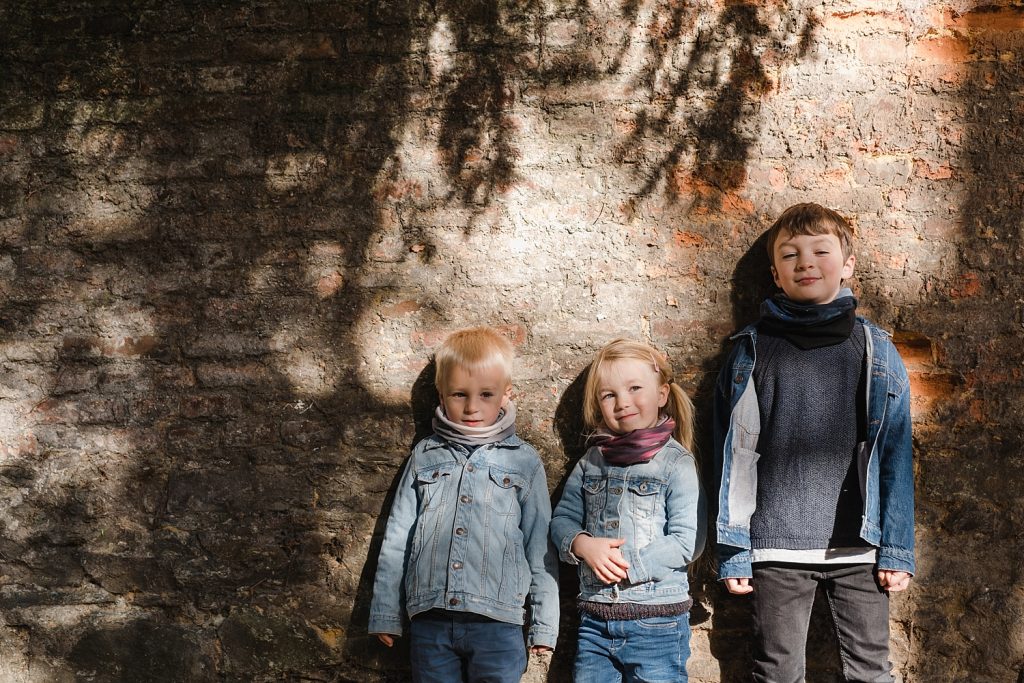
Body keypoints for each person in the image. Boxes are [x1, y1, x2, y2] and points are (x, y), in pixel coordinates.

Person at [714, 203, 915, 682]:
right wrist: (735, 551)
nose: (805, 262)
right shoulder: (751, 350)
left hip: (860, 547)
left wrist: (897, 549)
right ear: (775, 274)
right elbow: (729, 456)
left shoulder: (874, 348)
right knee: (777, 671)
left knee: (870, 671)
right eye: (790, 255)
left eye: (820, 251)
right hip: (775, 547)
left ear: (846, 265)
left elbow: (895, 452)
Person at [368, 326, 558, 683]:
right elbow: (397, 538)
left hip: (498, 624)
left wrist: (544, 624)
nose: (472, 407)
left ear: (506, 394)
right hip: (431, 621)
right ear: (441, 395)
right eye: (459, 394)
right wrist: (384, 612)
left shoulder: (524, 461)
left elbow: (539, 546)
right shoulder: (425, 456)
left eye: (486, 394)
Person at [551, 338, 706, 682]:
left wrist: (630, 567)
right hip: (595, 619)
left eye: (635, 388)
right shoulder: (592, 461)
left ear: (662, 394)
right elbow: (562, 519)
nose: (623, 402)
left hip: (657, 620)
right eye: (609, 395)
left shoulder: (675, 462)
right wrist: (582, 545)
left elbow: (687, 540)